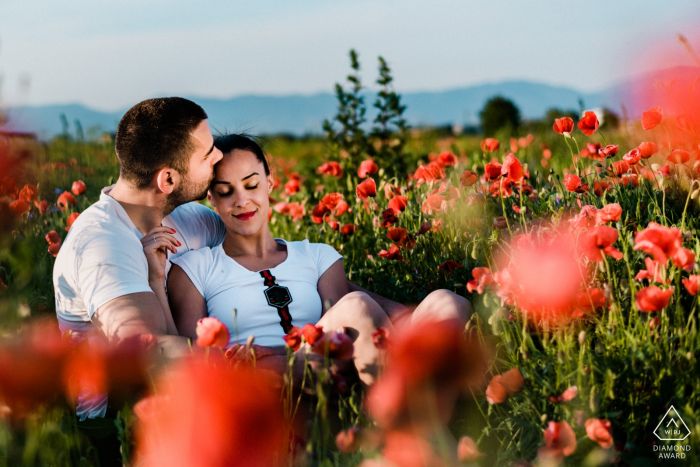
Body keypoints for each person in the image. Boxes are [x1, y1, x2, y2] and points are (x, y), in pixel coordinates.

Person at [142, 134, 472, 387]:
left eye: (252, 185)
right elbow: (189, 352)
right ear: (211, 198)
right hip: (260, 380)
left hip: (328, 368)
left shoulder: (316, 256)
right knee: (357, 306)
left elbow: (347, 334)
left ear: (270, 183)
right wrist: (157, 280)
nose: (242, 201)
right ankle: (417, 419)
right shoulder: (196, 268)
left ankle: (408, 406)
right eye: (226, 191)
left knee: (448, 303)